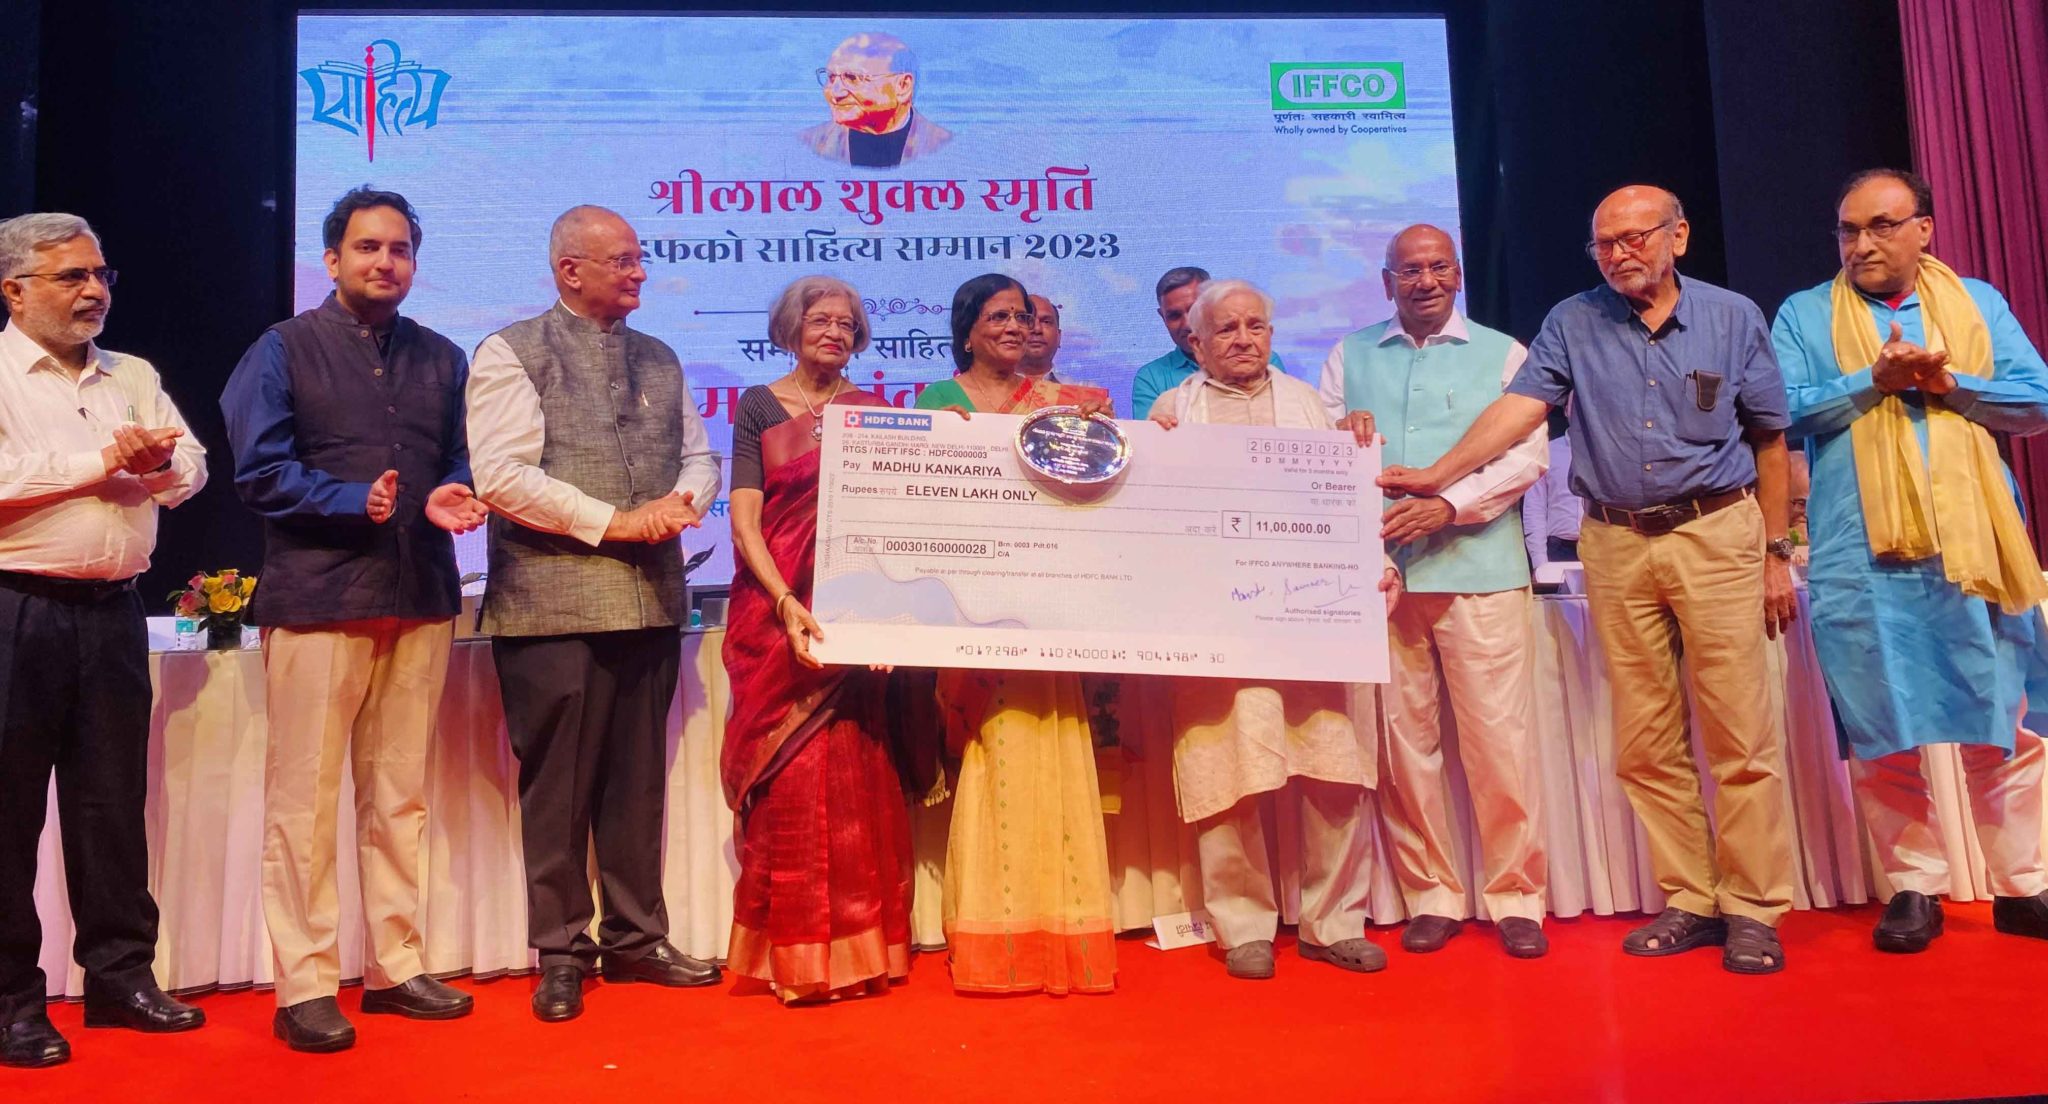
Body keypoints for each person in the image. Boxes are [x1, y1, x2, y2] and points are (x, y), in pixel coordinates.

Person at [1381, 186, 1800, 975]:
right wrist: (1439, 475)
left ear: (1679, 235)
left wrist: (1777, 552)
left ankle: (1753, 907)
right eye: (1605, 243)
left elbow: (1770, 441)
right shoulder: (1574, 321)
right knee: (1645, 739)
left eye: (1636, 237)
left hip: (1716, 531)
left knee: (1740, 734)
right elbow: (1519, 410)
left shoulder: (1732, 316)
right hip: (1614, 540)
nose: (1619, 254)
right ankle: (1692, 898)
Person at [221, 188, 486, 1052]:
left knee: (400, 795)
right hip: (320, 598)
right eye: (368, 247)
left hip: (419, 595)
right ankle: (303, 985)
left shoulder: (443, 358)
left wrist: (451, 492)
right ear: (332, 259)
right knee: (303, 803)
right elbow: (259, 471)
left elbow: (459, 459)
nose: (385, 262)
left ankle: (395, 967)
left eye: (400, 249)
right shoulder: (281, 349)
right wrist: (347, 499)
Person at [1773, 167, 2048, 952]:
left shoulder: (1977, 303)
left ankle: (2023, 886)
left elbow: (2036, 399)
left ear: (1924, 229)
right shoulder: (1804, 313)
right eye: (1848, 230)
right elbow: (1780, 408)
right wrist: (1874, 380)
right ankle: (1914, 888)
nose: (1861, 244)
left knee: (2002, 721)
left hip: (1975, 547)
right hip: (1861, 553)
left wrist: (1951, 383)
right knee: (1882, 726)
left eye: (1881, 226)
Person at [467, 205, 723, 1022]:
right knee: (559, 790)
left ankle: (638, 940)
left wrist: (685, 503)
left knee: (637, 785)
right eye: (623, 261)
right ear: (569, 271)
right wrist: (617, 522)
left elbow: (700, 458)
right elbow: (501, 477)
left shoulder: (660, 357)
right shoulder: (512, 351)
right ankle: (561, 952)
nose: (639, 272)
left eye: (640, 259)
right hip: (552, 606)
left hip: (650, 602)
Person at [0, 212, 207, 1068]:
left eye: (101, 275)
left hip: (115, 612)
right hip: (15, 608)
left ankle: (120, 978)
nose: (95, 291)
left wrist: (156, 466)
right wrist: (102, 464)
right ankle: (12, 1003)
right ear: (14, 290)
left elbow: (190, 471)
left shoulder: (134, 374)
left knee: (113, 806)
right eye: (72, 277)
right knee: (8, 814)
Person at [1317, 226, 1551, 958]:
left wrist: (1448, 505)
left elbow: (1527, 458)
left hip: (1481, 571)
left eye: (1438, 267)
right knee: (1403, 746)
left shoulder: (1505, 353)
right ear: (1386, 281)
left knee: (1500, 743)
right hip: (1384, 579)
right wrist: (1340, 437)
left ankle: (1517, 897)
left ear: (1458, 273)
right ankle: (1433, 895)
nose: (1425, 281)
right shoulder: (1348, 354)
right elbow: (1319, 454)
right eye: (1410, 270)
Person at [1152, 279, 1396, 980]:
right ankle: (1242, 926)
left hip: (1313, 617)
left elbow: (1350, 505)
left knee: (1332, 768)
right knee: (1226, 771)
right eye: (1225, 329)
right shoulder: (1174, 411)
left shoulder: (1311, 406)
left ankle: (1333, 922)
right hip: (1217, 620)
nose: (1243, 340)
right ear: (1195, 343)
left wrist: (1379, 566)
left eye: (1255, 326)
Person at [915, 273, 1117, 994]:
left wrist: (1118, 438)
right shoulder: (938, 402)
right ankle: (995, 935)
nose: (1015, 327)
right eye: (998, 316)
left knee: (1054, 749)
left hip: (1050, 608)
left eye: (1023, 316)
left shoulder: (1064, 406)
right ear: (968, 330)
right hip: (974, 608)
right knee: (997, 756)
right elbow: (925, 504)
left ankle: (1061, 929)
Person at [722, 276, 913, 1002]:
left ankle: (862, 953)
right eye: (820, 320)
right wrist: (784, 603)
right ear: (791, 328)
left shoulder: (876, 413)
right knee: (792, 782)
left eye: (846, 323)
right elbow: (746, 520)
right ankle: (794, 957)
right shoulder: (759, 405)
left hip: (851, 619)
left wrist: (883, 617)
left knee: (856, 777)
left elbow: (894, 526)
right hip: (778, 619)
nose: (834, 332)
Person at [1129, 267, 1286, 419]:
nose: (1187, 324)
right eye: (1174, 316)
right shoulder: (1151, 378)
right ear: (1162, 317)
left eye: (1194, 310)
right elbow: (1150, 435)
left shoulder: (1262, 360)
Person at [802, 33, 952, 168]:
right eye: (831, 78)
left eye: (853, 78)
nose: (835, 93)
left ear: (903, 85)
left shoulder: (946, 147)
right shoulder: (809, 144)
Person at [1523, 435, 1583, 567]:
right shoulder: (1548, 451)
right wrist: (1539, 561)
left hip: (1602, 546)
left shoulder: (1608, 451)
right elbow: (1535, 507)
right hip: (1559, 549)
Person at [1020, 293, 1062, 380]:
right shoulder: (990, 387)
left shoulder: (1083, 388)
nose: (1037, 329)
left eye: (1046, 322)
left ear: (1059, 337)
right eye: (1028, 321)